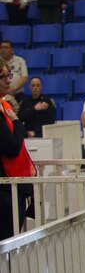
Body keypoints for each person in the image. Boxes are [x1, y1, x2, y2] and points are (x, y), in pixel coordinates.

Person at [0, 59, 36, 240]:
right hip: (5, 189)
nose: (8, 81)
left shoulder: (4, 105)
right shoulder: (4, 111)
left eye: (9, 76)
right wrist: (16, 122)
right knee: (7, 245)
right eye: (2, 77)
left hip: (12, 186)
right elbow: (13, 147)